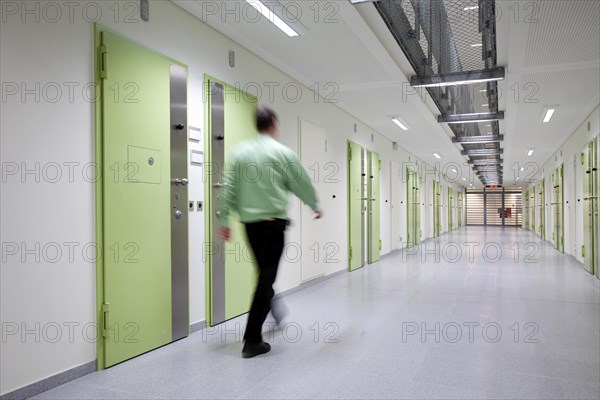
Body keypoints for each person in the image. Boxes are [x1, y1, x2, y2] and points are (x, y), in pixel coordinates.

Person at [218, 106, 322, 358]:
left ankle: (275, 311)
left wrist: (224, 220)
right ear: (273, 124)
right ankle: (252, 339)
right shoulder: (282, 153)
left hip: (250, 225)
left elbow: (229, 188)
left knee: (264, 273)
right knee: (266, 276)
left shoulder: (239, 154)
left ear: (256, 124)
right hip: (273, 224)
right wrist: (314, 204)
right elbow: (301, 182)